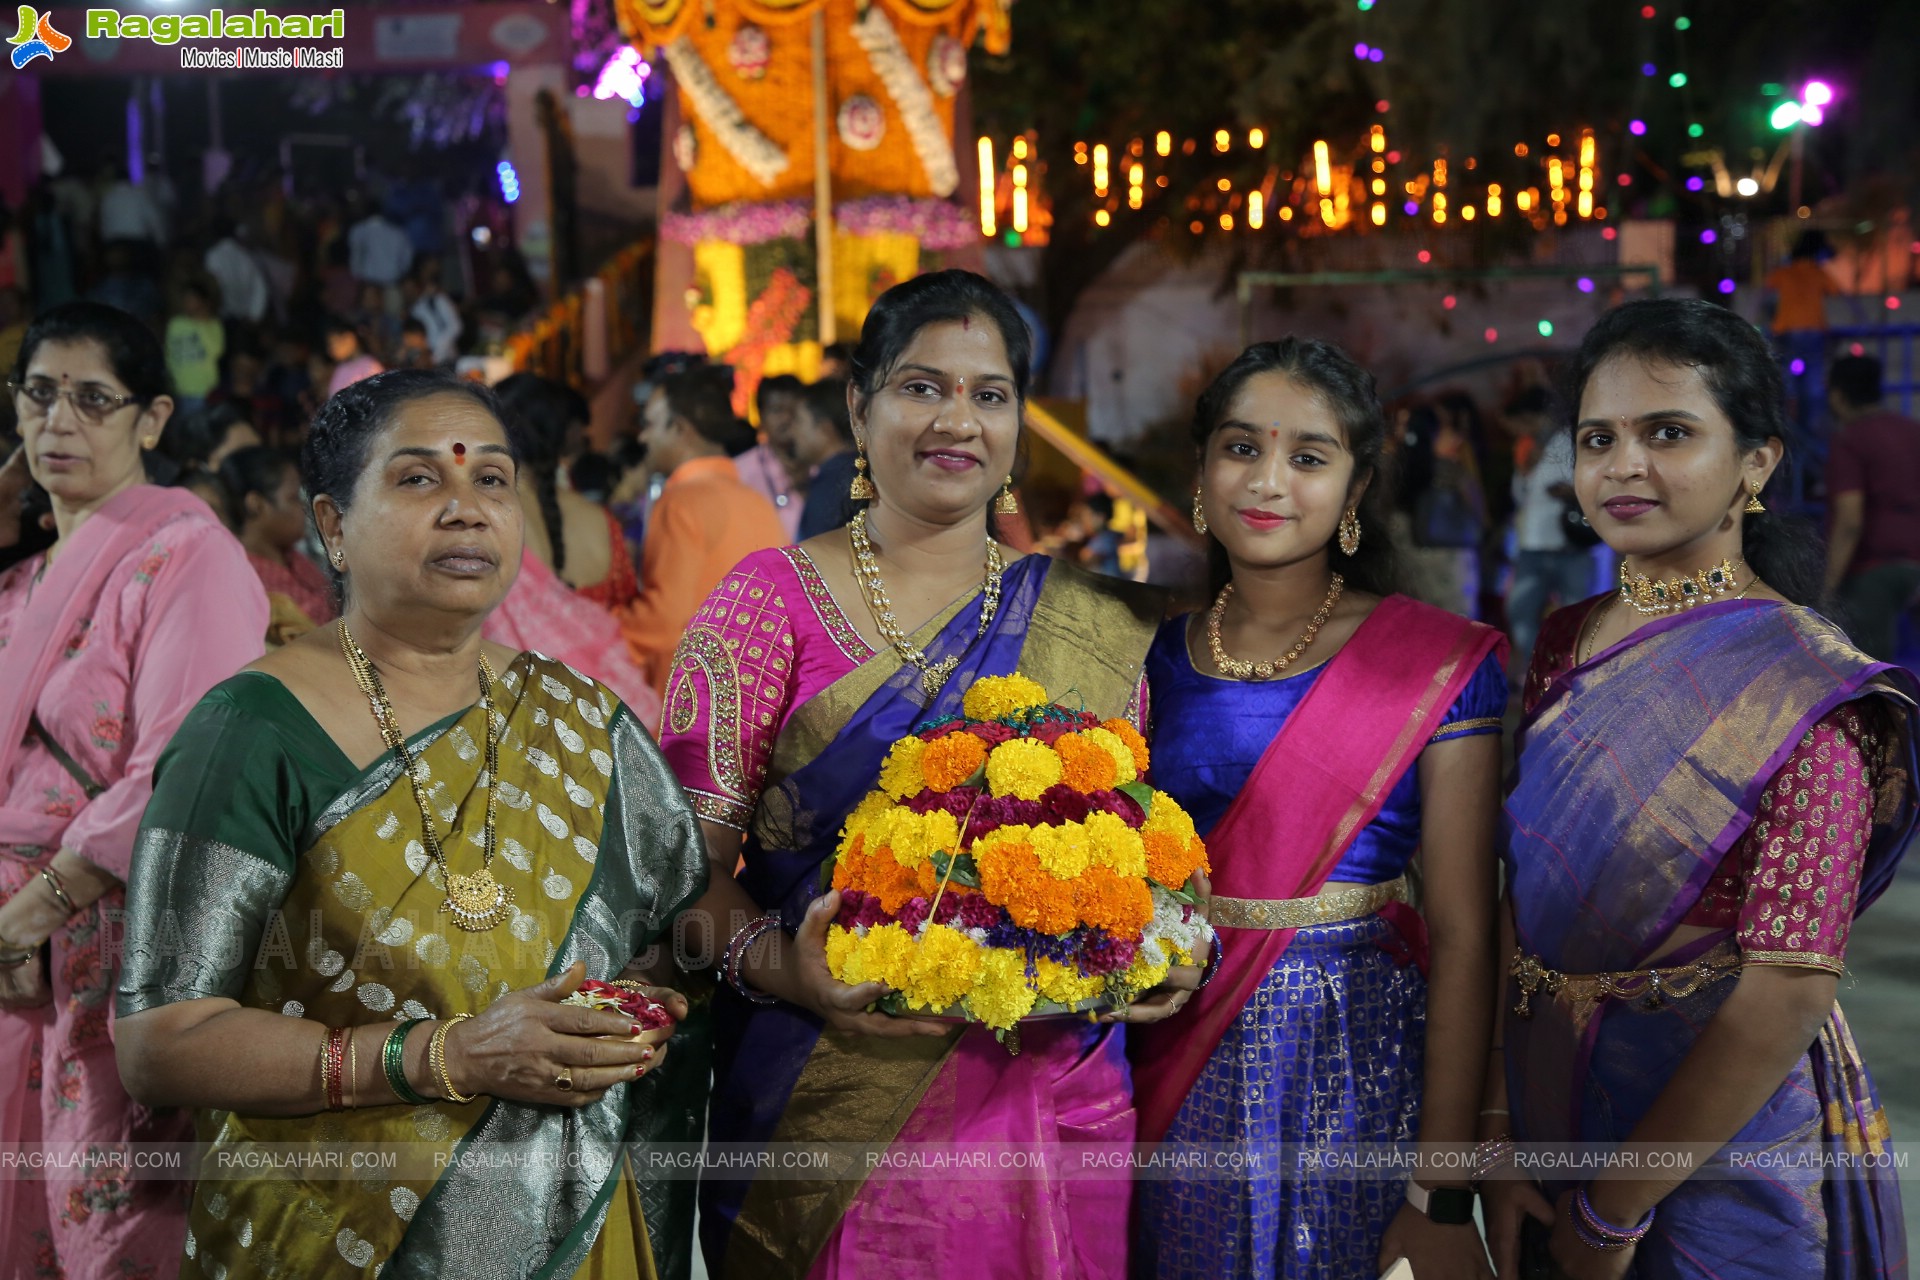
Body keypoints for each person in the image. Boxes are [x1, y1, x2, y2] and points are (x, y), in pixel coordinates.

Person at [113, 369, 710, 1279]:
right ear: (331, 527)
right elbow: (162, 1042)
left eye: (493, 480)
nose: (467, 510)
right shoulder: (254, 728)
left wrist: (644, 1004)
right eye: (419, 479)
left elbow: (673, 934)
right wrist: (445, 1055)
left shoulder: (582, 718)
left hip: (573, 1214)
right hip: (337, 1227)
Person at [658, 270, 1185, 1279]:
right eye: (920, 387)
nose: (957, 420)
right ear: (859, 407)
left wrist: (1159, 945)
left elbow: (1137, 849)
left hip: (1055, 1106)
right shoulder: (766, 605)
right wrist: (790, 968)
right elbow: (681, 879)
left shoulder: (1095, 619)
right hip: (827, 1101)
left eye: (989, 394)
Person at [1487, 298, 1916, 1280]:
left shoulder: (1810, 686)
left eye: (1668, 432)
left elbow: (1787, 988)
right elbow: (1524, 890)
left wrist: (1610, 1213)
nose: (1623, 465)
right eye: (1599, 437)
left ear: (1757, 463)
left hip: (1719, 1152)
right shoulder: (1568, 635)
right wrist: (1499, 1126)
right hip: (1547, 1095)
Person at [1130, 339, 1505, 1280]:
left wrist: (1440, 1192)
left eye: (1308, 456)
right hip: (1163, 1040)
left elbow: (1465, 934)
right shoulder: (1142, 654)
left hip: (1353, 1054)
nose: (1267, 482)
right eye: (1241, 448)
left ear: (1356, 486)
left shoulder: (1432, 663)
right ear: (1203, 472)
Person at [0, 301, 267, 1278]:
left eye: (91, 399)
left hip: (110, 935)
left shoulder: (187, 554)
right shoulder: (27, 577)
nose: (56, 421)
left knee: (115, 1232)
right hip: (14, 946)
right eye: (37, 392)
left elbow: (187, 757)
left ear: (151, 418)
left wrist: (39, 903)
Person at [485, 374, 658, 726]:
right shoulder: (602, 522)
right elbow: (622, 607)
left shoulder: (484, 522)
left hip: (525, 720)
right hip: (611, 713)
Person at [617, 367, 785, 696]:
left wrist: (595, 629)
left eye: (649, 425)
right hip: (753, 691)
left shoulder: (681, 501)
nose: (643, 438)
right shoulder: (757, 502)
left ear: (680, 429)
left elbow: (664, 621)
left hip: (692, 697)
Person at [1823, 354, 1920, 661]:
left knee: (1873, 677)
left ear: (1838, 396)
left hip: (1875, 570)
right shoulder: (1912, 431)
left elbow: (1850, 521)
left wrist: (1827, 589)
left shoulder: (1850, 439)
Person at [1506, 383, 1595, 667]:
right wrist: (1524, 471)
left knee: (1576, 618)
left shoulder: (1571, 440)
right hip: (1532, 544)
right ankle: (1543, 671)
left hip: (1568, 544)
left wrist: (1568, 491)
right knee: (1519, 611)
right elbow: (1520, 496)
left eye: (1527, 420)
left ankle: (1572, 675)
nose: (1523, 428)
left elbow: (1594, 484)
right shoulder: (1528, 448)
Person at [219, 444, 336, 643]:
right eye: (292, 499)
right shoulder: (244, 577)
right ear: (256, 504)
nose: (303, 508)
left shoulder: (294, 557)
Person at [791, 377, 861, 539]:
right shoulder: (860, 469)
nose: (792, 431)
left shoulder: (831, 485)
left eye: (799, 421)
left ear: (825, 429)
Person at [739, 373, 806, 538]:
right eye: (777, 410)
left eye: (793, 410)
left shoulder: (821, 464)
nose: (786, 418)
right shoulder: (740, 471)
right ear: (761, 417)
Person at [164, 281, 224, 414]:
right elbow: (170, 353)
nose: (188, 303)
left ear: (203, 302)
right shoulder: (176, 323)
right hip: (178, 388)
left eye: (192, 299)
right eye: (186, 299)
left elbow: (216, 351)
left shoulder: (213, 325)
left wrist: (202, 324)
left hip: (203, 389)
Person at [203, 220, 270, 327]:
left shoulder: (212, 256)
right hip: (246, 320)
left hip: (223, 318)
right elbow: (260, 287)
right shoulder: (247, 256)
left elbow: (212, 286)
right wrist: (255, 315)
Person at [410, 257, 463, 363]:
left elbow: (456, 326)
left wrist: (437, 353)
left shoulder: (438, 299)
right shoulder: (414, 310)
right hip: (428, 361)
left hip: (447, 357)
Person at [324, 315, 385, 397]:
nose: (330, 350)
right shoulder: (340, 369)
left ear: (349, 339)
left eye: (333, 344)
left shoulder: (370, 367)